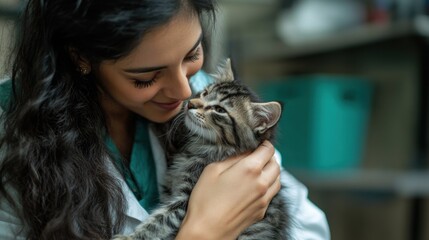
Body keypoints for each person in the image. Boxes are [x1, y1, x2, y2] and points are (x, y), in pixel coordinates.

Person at [0, 0, 330, 239]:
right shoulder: (11, 129)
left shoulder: (201, 92)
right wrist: (204, 232)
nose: (184, 90)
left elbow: (311, 227)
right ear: (81, 57)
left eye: (192, 55)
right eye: (146, 77)